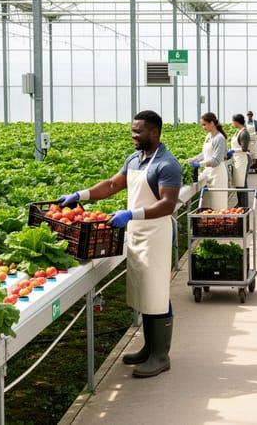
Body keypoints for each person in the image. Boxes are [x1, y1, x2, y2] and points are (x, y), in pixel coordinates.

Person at [56, 110, 182, 379]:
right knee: (144, 291)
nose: (134, 135)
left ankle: (161, 356)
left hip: (155, 235)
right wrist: (82, 195)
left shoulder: (167, 164)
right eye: (133, 130)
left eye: (139, 131)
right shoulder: (135, 159)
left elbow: (167, 204)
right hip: (136, 233)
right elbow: (113, 184)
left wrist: (130, 214)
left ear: (155, 132)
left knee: (156, 292)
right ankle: (149, 348)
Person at [188, 112, 229, 210]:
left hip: (217, 175)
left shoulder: (219, 138)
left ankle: (221, 224)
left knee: (218, 205)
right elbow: (205, 153)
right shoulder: (209, 136)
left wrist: (199, 164)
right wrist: (194, 158)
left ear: (212, 123)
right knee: (209, 206)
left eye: (204, 124)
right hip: (209, 173)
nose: (203, 127)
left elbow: (216, 160)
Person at [228, 114, 251, 208]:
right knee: (238, 183)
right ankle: (240, 203)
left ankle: (244, 205)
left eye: (233, 121)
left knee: (242, 183)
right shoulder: (238, 132)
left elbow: (245, 149)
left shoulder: (244, 133)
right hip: (237, 159)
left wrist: (233, 150)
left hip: (243, 160)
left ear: (237, 122)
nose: (232, 123)